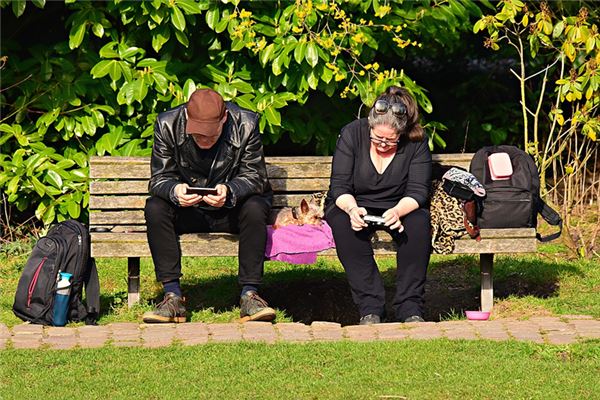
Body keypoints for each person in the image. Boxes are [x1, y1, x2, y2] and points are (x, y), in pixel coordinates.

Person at [142, 88, 276, 323]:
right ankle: (172, 295)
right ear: (186, 117)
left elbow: (256, 176)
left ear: (224, 119)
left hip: (232, 209)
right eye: (197, 134)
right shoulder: (167, 124)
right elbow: (158, 179)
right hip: (190, 210)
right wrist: (174, 191)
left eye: (210, 134)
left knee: (255, 206)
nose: (203, 139)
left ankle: (250, 295)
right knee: (155, 206)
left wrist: (231, 190)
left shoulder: (246, 123)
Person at [325, 86, 432, 325]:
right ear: (370, 126)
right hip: (354, 203)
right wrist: (352, 209)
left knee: (418, 223)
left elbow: (418, 192)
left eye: (390, 141)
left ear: (402, 133)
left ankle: (410, 308)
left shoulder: (417, 143)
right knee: (343, 225)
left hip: (399, 205)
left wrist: (397, 211)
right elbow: (339, 187)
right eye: (377, 138)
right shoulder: (352, 133)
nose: (382, 144)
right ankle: (370, 308)